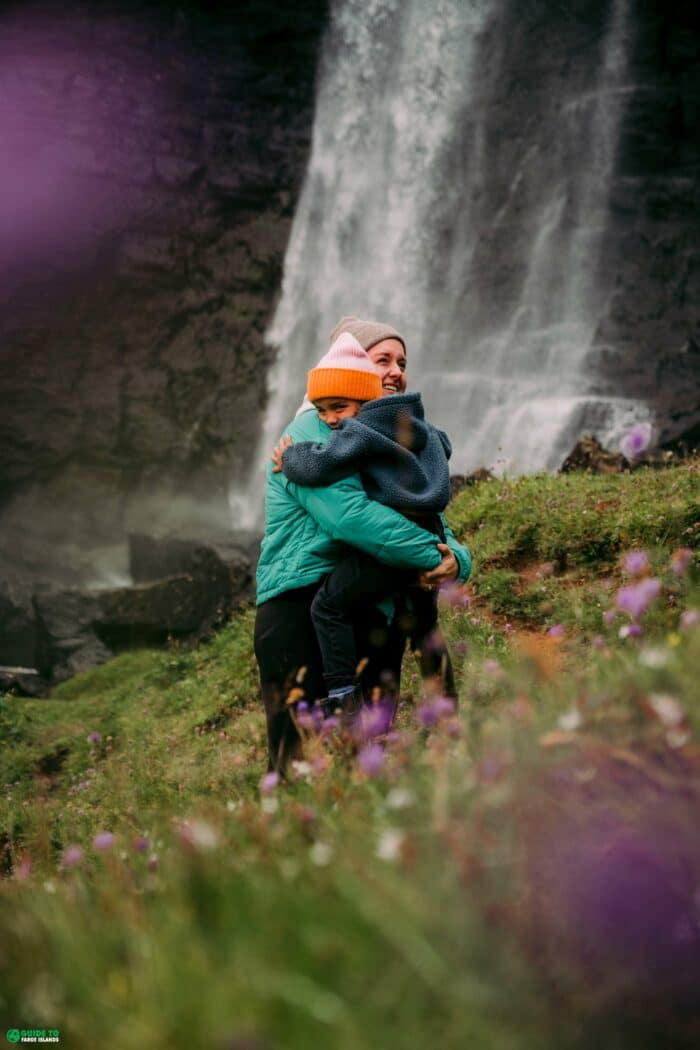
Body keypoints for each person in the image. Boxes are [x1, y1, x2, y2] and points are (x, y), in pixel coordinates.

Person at [254, 316, 471, 772]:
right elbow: (353, 518)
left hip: (367, 605)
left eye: (402, 362)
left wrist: (458, 560)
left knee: (364, 760)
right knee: (298, 759)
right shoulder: (311, 435)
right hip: (299, 606)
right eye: (382, 360)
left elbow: (422, 509)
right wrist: (435, 556)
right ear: (354, 371)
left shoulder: (382, 434)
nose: (395, 370)